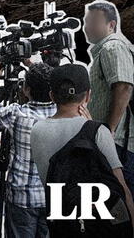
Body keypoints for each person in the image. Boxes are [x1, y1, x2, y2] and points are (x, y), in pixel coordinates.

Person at [30, 64, 134, 232]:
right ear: (88, 96)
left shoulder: (36, 130)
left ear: (52, 96)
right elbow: (122, 188)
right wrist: (92, 127)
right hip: (97, 226)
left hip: (61, 224)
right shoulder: (98, 132)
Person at [0, 63, 56, 238]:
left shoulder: (16, 113)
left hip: (22, 196)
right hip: (53, 197)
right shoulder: (63, 113)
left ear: (26, 90)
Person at [84, 0, 134, 192]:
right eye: (87, 21)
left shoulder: (112, 48)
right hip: (115, 141)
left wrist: (109, 130)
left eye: (93, 21)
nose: (87, 27)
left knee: (120, 201)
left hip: (119, 144)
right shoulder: (107, 49)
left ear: (111, 25)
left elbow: (124, 87)